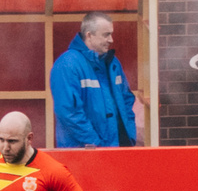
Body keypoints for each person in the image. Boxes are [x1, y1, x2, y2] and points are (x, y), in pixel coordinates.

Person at [48, 12, 136, 149]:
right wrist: (96, 145)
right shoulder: (67, 65)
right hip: (84, 155)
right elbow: (69, 113)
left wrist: (129, 136)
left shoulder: (112, 62)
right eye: (106, 34)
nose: (111, 40)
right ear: (89, 35)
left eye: (111, 34)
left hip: (114, 150)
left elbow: (127, 100)